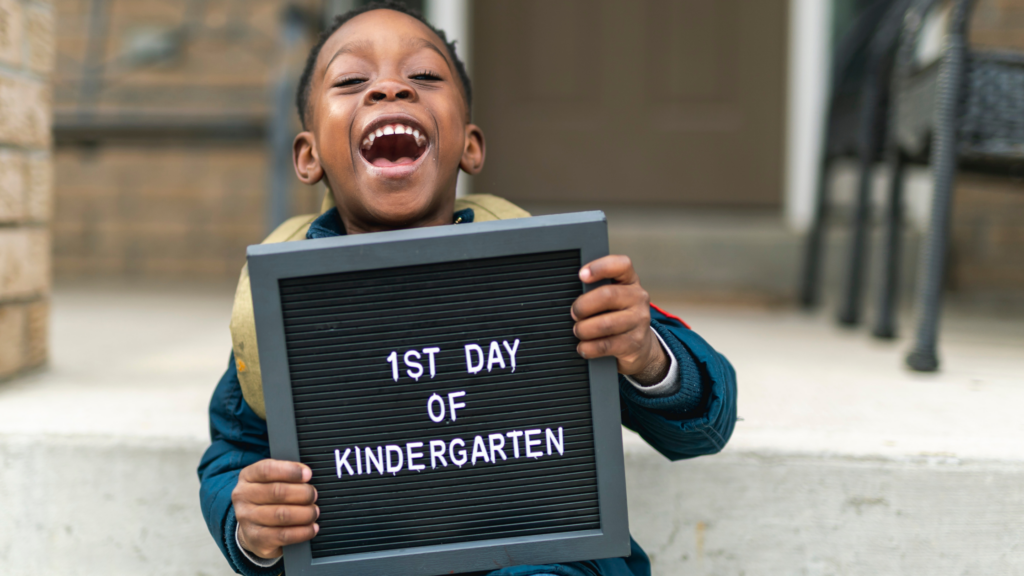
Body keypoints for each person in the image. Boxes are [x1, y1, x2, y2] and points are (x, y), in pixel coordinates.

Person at [197, 3, 737, 575]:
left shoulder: (552, 277)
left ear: (470, 146)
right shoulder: (283, 309)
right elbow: (236, 452)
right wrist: (250, 521)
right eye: (353, 80)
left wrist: (646, 354)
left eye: (424, 77)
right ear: (308, 157)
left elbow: (701, 429)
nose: (389, 89)